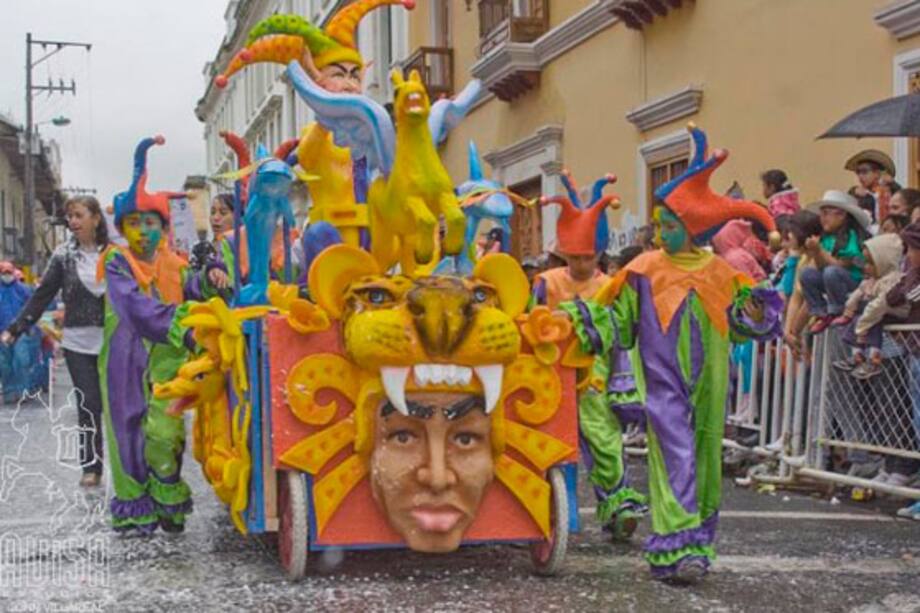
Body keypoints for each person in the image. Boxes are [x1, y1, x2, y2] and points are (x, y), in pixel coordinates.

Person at [566, 126, 783, 584]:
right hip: (662, 384)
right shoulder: (643, 270)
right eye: (659, 225)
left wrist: (758, 304)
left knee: (704, 455)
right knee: (674, 452)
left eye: (670, 226)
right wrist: (578, 322)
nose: (661, 234)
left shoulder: (721, 272)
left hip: (711, 384)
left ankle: (697, 544)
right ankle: (676, 539)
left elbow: (747, 325)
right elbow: (617, 320)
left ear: (694, 229)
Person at [100, 136, 226, 534]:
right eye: (134, 224)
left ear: (163, 228)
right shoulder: (117, 262)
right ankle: (137, 505)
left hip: (167, 362)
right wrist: (182, 330)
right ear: (122, 229)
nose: (142, 232)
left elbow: (195, 290)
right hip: (125, 357)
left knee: (166, 431)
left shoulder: (174, 262)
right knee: (127, 430)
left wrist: (212, 278)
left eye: (150, 223)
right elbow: (134, 308)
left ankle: (167, 493)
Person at [3, 196, 110, 487]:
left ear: (96, 218)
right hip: (77, 343)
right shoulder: (63, 255)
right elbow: (43, 295)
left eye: (79, 215)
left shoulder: (114, 254)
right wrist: (16, 328)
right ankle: (91, 466)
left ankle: (130, 468)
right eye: (70, 217)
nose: (73, 222)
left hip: (113, 342)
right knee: (89, 404)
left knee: (117, 405)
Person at [832, 233, 905, 379]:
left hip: (891, 314)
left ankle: (874, 358)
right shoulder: (872, 280)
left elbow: (879, 305)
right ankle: (857, 355)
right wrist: (849, 309)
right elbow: (859, 293)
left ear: (884, 262)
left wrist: (862, 325)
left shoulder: (892, 280)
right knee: (858, 320)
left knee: (870, 322)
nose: (866, 267)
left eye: (871, 263)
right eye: (865, 262)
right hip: (875, 313)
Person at [799, 190, 871, 334]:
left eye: (826, 213)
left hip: (853, 284)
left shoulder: (852, 236)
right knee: (807, 274)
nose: (822, 218)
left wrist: (819, 250)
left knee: (831, 272)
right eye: (822, 213)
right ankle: (820, 312)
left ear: (842, 215)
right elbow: (820, 266)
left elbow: (840, 266)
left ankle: (836, 310)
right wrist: (816, 252)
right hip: (831, 280)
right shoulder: (827, 238)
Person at [889, 223, 920, 520]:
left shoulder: (915, 280)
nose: (907, 255)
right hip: (915, 354)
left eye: (911, 249)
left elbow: (906, 295)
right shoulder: (911, 275)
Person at [0, 261, 45, 404]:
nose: (7, 275)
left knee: (21, 361)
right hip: (2, 332)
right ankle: (9, 392)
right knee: (5, 364)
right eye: (4, 272)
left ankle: (22, 391)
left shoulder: (24, 290)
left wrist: (31, 328)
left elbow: (32, 310)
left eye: (9, 272)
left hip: (20, 332)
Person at [845, 149, 897, 224]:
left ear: (877, 173)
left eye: (864, 171)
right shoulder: (857, 193)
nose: (860, 176)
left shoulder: (891, 190)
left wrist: (893, 184)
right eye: (858, 172)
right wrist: (853, 192)